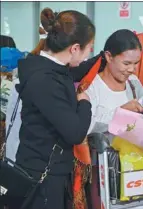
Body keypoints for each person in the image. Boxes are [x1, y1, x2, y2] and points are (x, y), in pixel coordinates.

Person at [8, 8, 95, 209]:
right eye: (89, 47)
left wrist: (103, 58)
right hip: (40, 179)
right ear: (74, 48)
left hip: (44, 170)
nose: (89, 51)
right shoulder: (45, 80)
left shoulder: (47, 68)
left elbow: (73, 72)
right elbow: (74, 133)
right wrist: (85, 103)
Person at [73, 29, 143, 209]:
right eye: (126, 63)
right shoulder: (91, 87)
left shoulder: (133, 83)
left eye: (136, 63)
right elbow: (86, 125)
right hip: (102, 175)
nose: (131, 69)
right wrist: (120, 112)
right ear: (108, 56)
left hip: (133, 167)